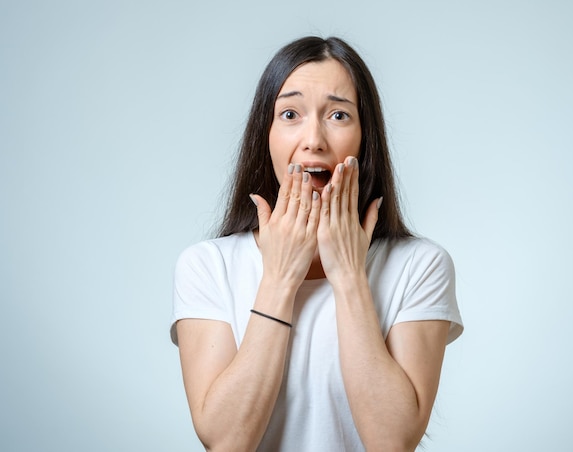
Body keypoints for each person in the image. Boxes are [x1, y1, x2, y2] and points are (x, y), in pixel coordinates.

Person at [170, 36, 463, 451]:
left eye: (339, 115)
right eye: (290, 113)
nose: (314, 140)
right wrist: (280, 277)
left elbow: (392, 441)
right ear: (264, 136)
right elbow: (225, 441)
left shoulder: (420, 265)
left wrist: (347, 273)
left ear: (366, 137)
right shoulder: (207, 266)